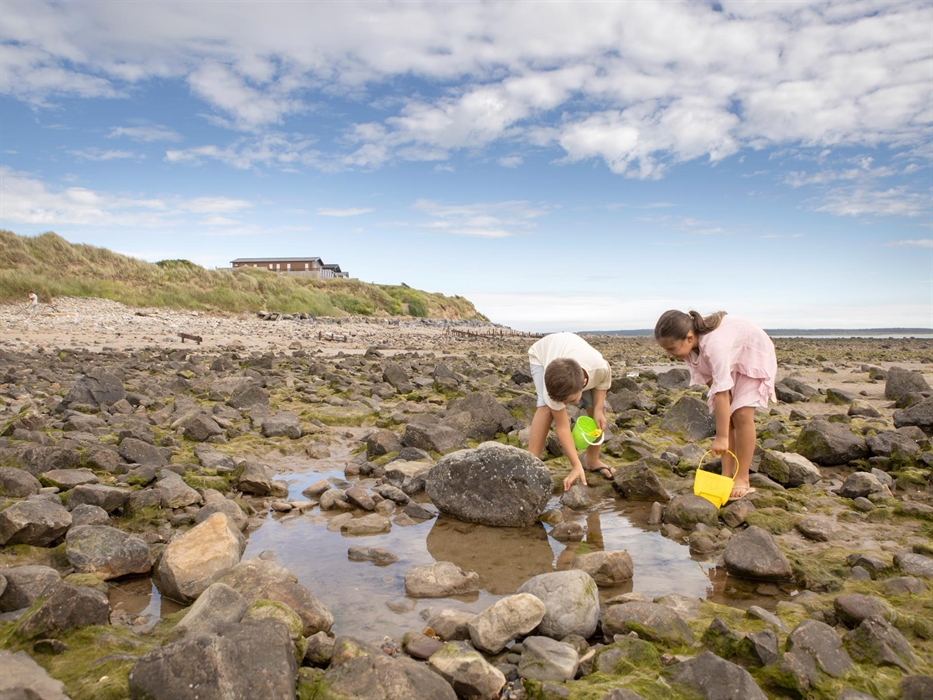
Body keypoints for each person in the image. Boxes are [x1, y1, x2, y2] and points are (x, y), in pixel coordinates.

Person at [654, 310, 777, 501]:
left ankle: (742, 476)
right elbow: (718, 391)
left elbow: (721, 393)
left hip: (752, 353)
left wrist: (721, 438)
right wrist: (725, 427)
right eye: (666, 350)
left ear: (689, 337)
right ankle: (726, 474)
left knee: (742, 415)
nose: (669, 354)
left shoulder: (714, 345)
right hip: (731, 355)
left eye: (671, 349)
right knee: (728, 417)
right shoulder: (690, 350)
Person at [527, 332, 614, 491]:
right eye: (564, 402)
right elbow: (563, 427)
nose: (567, 405)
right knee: (546, 407)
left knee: (596, 412)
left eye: (570, 400)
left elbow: (602, 382)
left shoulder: (599, 368)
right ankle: (530, 463)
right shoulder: (551, 389)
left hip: (579, 360)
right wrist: (575, 465)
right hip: (540, 355)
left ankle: (592, 461)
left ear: (584, 383)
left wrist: (599, 409)